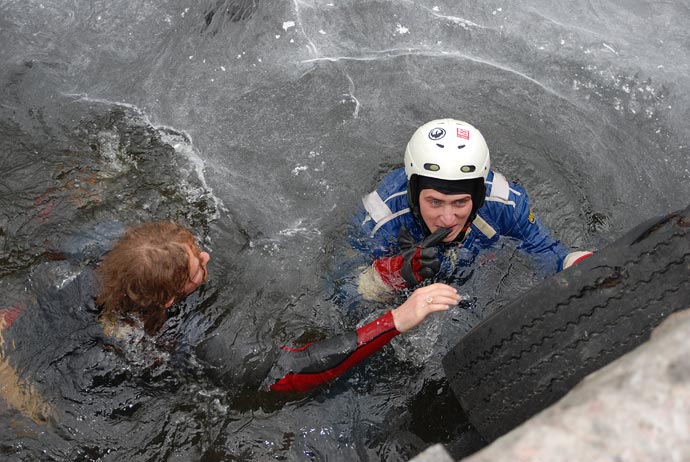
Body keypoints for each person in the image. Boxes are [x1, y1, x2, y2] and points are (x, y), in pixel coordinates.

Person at [97, 222, 463, 392]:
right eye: (197, 269)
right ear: (170, 299)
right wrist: (395, 320)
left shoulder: (106, 259)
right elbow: (294, 369)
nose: (207, 256)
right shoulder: (203, 342)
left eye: (196, 250)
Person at [352, 118, 593, 301]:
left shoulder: (504, 203)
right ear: (414, 195)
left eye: (460, 202)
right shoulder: (381, 219)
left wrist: (575, 265)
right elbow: (344, 292)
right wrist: (394, 274)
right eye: (434, 202)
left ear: (479, 197)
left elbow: (544, 250)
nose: (447, 219)